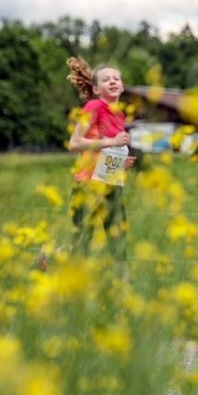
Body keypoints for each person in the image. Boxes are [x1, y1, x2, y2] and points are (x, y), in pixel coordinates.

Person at [64, 56, 135, 280]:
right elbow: (74, 144)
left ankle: (124, 287)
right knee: (83, 242)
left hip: (112, 184)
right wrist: (112, 143)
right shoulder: (94, 106)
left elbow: (104, 154)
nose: (113, 82)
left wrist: (120, 162)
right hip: (88, 185)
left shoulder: (120, 115)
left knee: (119, 239)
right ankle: (51, 262)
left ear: (122, 86)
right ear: (96, 88)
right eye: (106, 80)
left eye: (116, 78)